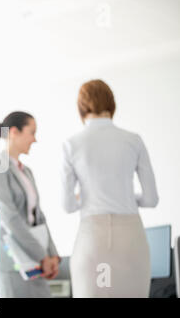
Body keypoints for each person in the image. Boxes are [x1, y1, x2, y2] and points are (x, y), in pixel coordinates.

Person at [61, 79, 159, 298]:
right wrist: (123, 195)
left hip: (92, 238)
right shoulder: (133, 140)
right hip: (131, 237)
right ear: (112, 104)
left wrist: (88, 196)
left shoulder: (72, 144)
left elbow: (67, 205)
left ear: (82, 107)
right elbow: (151, 199)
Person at [0, 111, 60, 298]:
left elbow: (38, 216)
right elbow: (9, 217)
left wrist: (53, 255)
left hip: (37, 260)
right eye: (32, 132)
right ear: (14, 132)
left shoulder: (27, 172)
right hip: (13, 263)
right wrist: (42, 256)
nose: (35, 139)